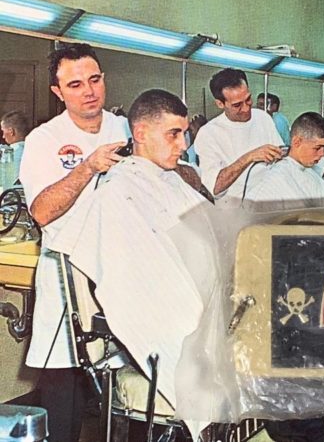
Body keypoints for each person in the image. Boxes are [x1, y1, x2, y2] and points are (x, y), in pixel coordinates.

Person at [48, 90, 215, 432]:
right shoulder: (117, 192)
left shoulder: (170, 180)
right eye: (173, 134)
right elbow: (138, 282)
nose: (183, 145)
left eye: (184, 134)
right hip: (165, 321)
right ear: (140, 133)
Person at [19, 42, 130, 442]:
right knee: (64, 389)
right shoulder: (44, 139)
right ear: (58, 91)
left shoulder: (124, 129)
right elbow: (42, 212)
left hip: (119, 270)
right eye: (75, 84)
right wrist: (87, 167)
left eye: (95, 80)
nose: (89, 91)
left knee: (123, 388)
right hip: (68, 276)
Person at [194, 68, 283, 208]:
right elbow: (214, 187)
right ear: (220, 104)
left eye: (248, 99)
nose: (246, 108)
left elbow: (280, 160)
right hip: (235, 211)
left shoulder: (263, 118)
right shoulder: (208, 134)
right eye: (237, 105)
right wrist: (249, 157)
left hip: (269, 205)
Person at [244, 112, 324, 210]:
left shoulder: (309, 173)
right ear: (296, 142)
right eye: (317, 148)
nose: (323, 154)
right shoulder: (276, 178)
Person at [0, 110, 31, 185]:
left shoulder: (14, 153)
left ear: (11, 131)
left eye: (3, 131)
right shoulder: (33, 148)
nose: (3, 136)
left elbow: (8, 181)